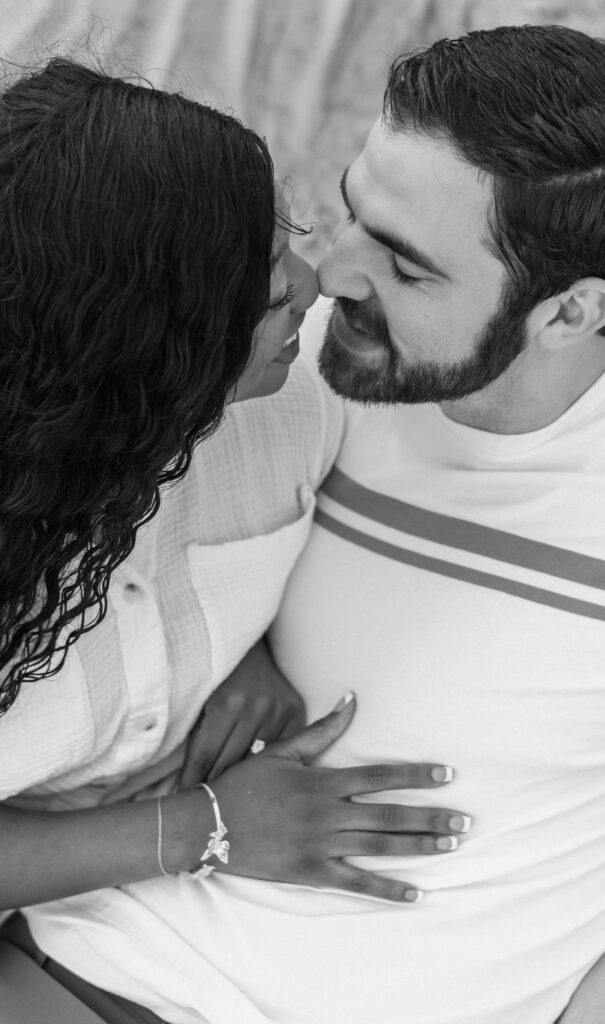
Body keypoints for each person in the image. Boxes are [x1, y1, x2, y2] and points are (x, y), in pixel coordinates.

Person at [0, 56, 472, 940]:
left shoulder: (305, 389)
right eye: (256, 280)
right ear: (136, 341)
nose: (311, 281)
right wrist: (205, 830)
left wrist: (222, 645)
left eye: (282, 234)